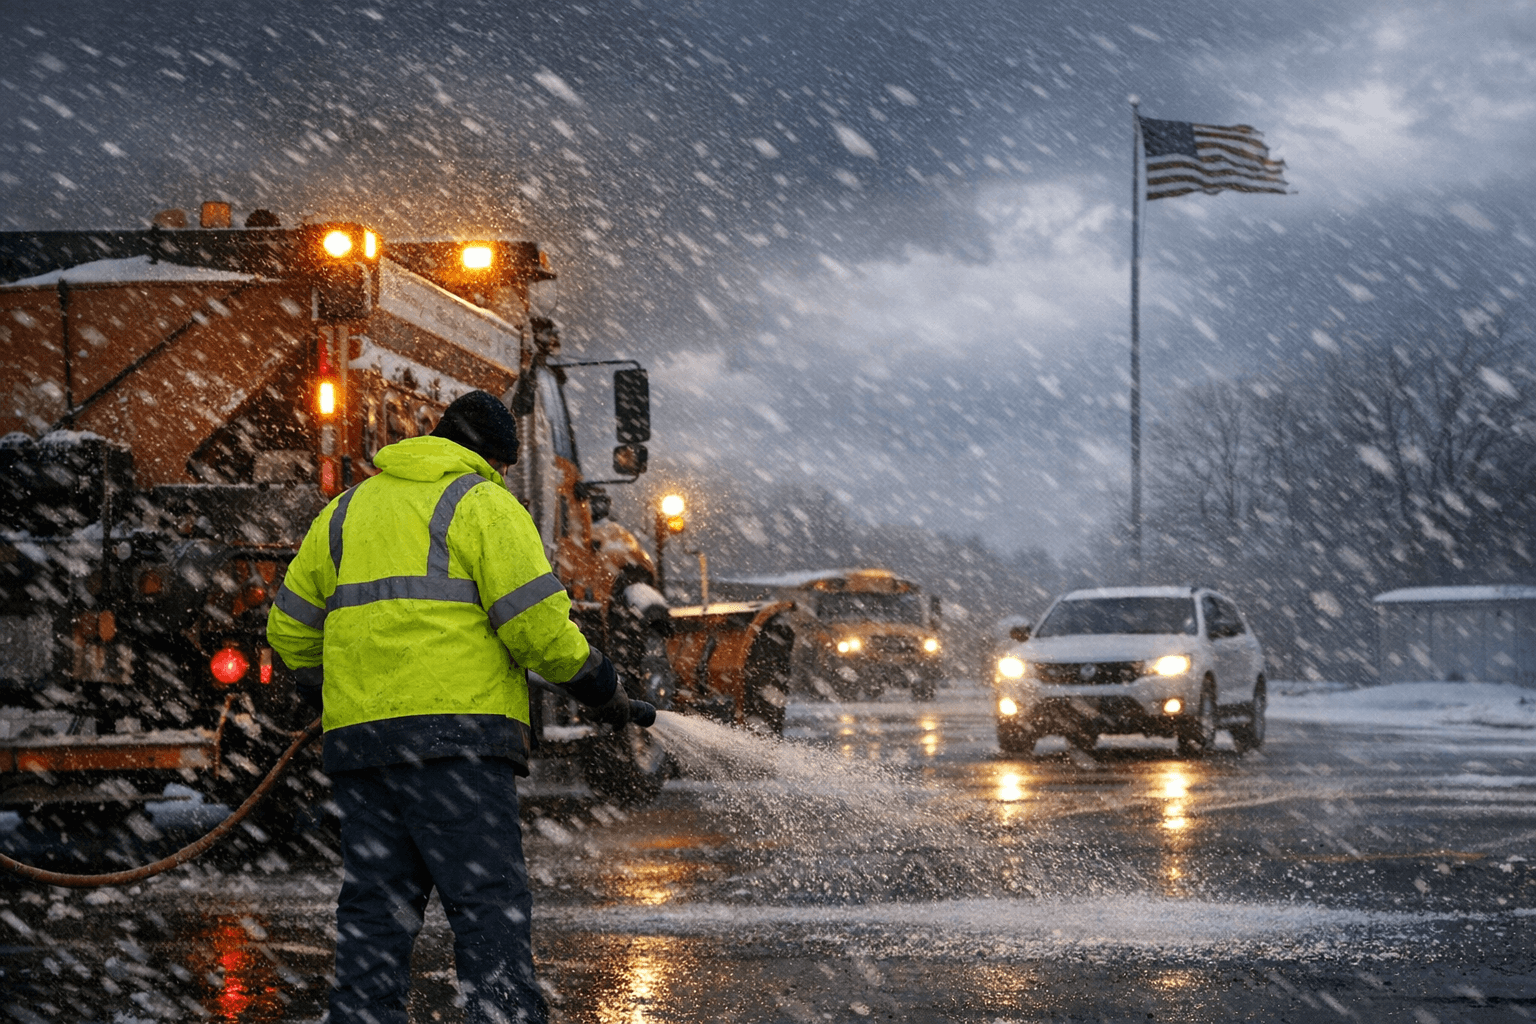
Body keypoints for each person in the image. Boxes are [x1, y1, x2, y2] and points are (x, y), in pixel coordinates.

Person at [267, 389, 651, 1024]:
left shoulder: (343, 512)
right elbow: (536, 629)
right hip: (459, 746)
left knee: (374, 913)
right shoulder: (484, 506)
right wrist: (602, 688)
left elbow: (289, 631)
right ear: (493, 459)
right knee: (485, 906)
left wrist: (325, 689)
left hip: (364, 747)